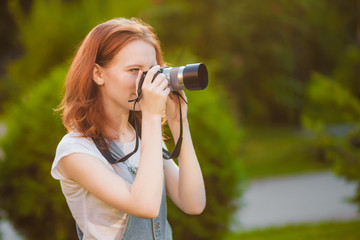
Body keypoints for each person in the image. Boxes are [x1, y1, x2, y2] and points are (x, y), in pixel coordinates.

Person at [51, 17, 206, 240]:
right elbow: (145, 206)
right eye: (134, 70)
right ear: (98, 74)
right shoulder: (75, 151)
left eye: (152, 71)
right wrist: (152, 116)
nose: (145, 81)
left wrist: (179, 122)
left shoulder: (143, 137)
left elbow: (194, 203)